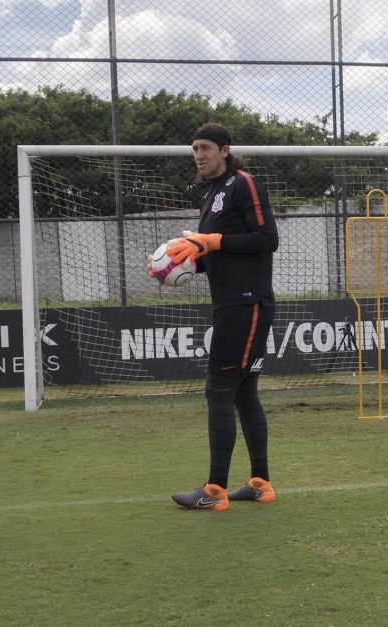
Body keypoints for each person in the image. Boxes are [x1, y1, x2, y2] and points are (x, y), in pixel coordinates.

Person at [149, 122, 279, 510]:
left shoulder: (244, 183)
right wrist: (176, 265)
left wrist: (210, 241)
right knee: (243, 392)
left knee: (218, 389)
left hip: (247, 303)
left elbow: (267, 239)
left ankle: (214, 491)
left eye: (205, 147)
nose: (199, 155)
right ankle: (259, 485)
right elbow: (217, 254)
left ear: (225, 150)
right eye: (194, 149)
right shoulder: (210, 197)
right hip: (230, 303)